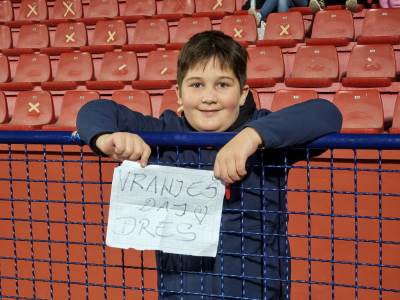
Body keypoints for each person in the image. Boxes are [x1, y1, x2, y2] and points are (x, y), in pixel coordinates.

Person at [77, 30, 342, 299]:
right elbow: (93, 111)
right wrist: (107, 138)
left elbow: (327, 114)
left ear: (242, 94)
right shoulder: (164, 133)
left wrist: (251, 137)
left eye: (223, 85)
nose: (209, 97)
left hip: (259, 293)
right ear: (178, 94)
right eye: (196, 85)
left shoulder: (265, 137)